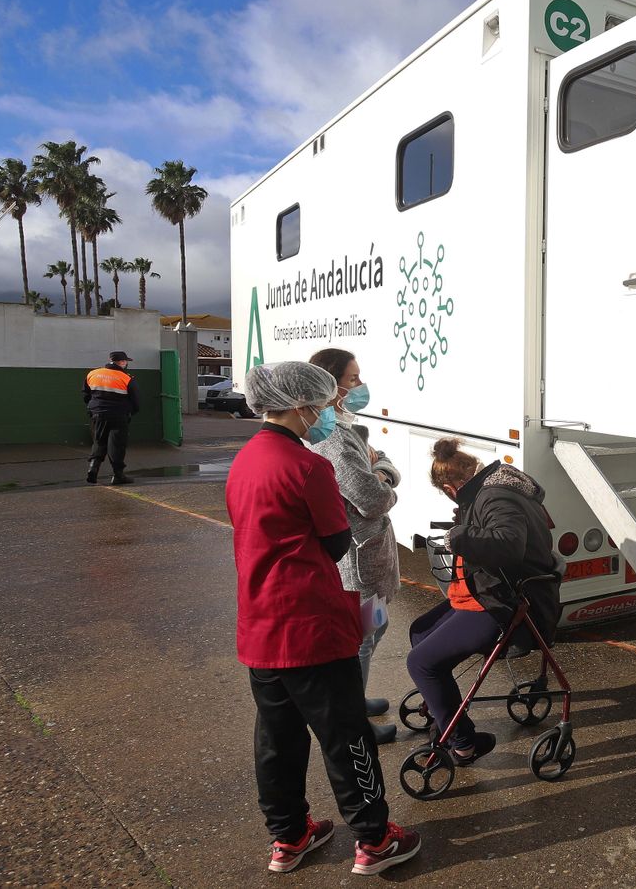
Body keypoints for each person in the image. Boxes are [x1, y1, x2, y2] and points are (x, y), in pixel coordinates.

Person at [226, 361, 420, 875]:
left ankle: (288, 837)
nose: (328, 410)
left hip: (261, 623)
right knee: (347, 736)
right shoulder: (309, 467)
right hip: (311, 622)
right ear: (301, 405)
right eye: (324, 400)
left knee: (277, 738)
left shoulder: (245, 459)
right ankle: (375, 839)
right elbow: (336, 541)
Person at [409, 438, 560, 764]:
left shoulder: (495, 496)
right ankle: (444, 712)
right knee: (420, 631)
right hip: (496, 590)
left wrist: (458, 536)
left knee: (421, 662)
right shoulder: (493, 487)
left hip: (508, 603)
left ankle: (463, 744)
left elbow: (508, 544)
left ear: (452, 486)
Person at [308, 348, 402, 745]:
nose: (360, 386)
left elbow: (382, 465)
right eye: (353, 379)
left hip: (368, 553)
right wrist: (383, 474)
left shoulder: (345, 426)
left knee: (373, 629)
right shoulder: (331, 436)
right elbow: (374, 496)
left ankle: (356, 700)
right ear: (331, 386)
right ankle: (354, 722)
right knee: (361, 639)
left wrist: (380, 468)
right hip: (358, 557)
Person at [84, 351, 139, 485]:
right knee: (117, 445)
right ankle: (118, 475)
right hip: (118, 415)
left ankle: (93, 468)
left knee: (99, 441)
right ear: (121, 362)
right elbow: (135, 401)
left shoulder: (93, 374)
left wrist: (93, 409)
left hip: (97, 414)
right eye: (126, 362)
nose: (126, 364)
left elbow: (86, 395)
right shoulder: (126, 378)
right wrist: (130, 413)